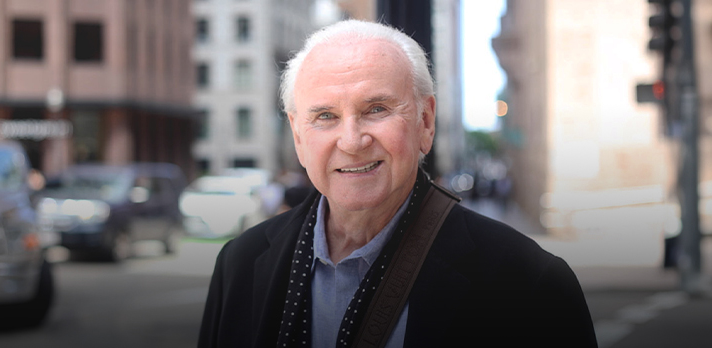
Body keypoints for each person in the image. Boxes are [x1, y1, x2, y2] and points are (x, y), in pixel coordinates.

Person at [199, 20, 597, 348]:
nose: (352, 141)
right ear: (298, 137)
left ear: (425, 122)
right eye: (325, 116)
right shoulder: (239, 264)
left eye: (377, 109)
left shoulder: (529, 284)